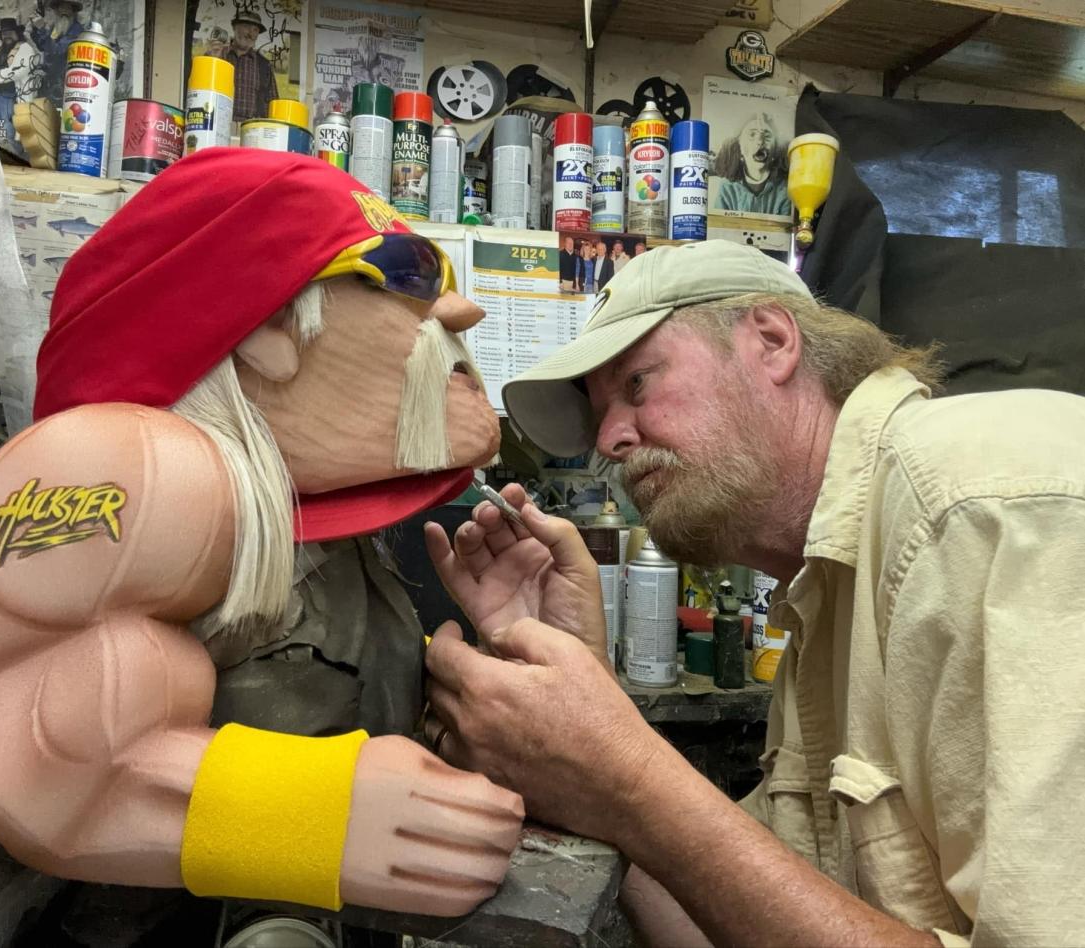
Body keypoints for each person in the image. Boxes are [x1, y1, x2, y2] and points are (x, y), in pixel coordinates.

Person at [0, 151, 524, 918]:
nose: (460, 313)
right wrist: (307, 815)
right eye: (407, 274)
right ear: (269, 325)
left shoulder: (317, 517)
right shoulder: (128, 474)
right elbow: (37, 759)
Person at [424, 241, 1085, 945]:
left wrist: (625, 776)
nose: (610, 440)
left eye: (637, 384)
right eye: (600, 415)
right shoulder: (824, 600)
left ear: (771, 340)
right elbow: (746, 922)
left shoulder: (990, 507)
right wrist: (592, 723)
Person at [0, 18, 41, 152]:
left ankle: (21, 159)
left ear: (17, 33)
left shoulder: (25, 48)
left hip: (11, 97)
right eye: (4, 33)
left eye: (10, 32)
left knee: (12, 133)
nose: (7, 36)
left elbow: (16, 72)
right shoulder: (2, 50)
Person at [714, 112, 792, 216]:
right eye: (752, 134)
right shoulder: (727, 187)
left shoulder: (785, 189)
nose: (759, 141)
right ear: (739, 147)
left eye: (767, 136)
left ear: (776, 148)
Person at [223, 9, 277, 122]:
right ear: (234, 27)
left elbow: (273, 103)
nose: (250, 34)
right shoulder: (219, 55)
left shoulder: (264, 65)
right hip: (219, 124)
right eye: (246, 26)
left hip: (251, 129)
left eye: (255, 30)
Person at [29, 0, 82, 102]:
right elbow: (42, 46)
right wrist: (36, 28)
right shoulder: (56, 27)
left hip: (63, 85)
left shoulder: (77, 31)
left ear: (73, 11)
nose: (64, 11)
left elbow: (57, 52)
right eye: (61, 8)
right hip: (49, 83)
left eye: (68, 8)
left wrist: (42, 29)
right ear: (56, 10)